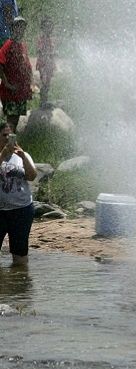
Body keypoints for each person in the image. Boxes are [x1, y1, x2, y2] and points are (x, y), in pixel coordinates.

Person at [0, 121, 37, 266]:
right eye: (4, 135)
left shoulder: (22, 155)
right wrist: (2, 155)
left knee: (20, 252)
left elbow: (32, 176)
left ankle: (20, 284)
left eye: (11, 136)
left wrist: (23, 157)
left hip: (21, 210)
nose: (8, 139)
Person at [0, 16, 32, 131]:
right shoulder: (8, 45)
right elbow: (0, 64)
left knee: (16, 119)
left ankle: (11, 144)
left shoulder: (23, 45)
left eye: (23, 27)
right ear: (13, 29)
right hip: (10, 91)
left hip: (20, 91)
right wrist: (7, 83)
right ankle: (7, 145)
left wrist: (30, 83)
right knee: (11, 120)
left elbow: (27, 65)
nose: (21, 30)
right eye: (18, 27)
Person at [36, 16, 56, 106]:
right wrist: (47, 54)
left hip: (49, 64)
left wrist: (52, 54)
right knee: (44, 82)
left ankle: (45, 100)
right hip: (43, 64)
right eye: (46, 27)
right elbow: (39, 50)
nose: (48, 29)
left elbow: (52, 50)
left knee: (47, 83)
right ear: (43, 28)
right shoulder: (41, 38)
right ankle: (42, 101)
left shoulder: (51, 39)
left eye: (50, 27)